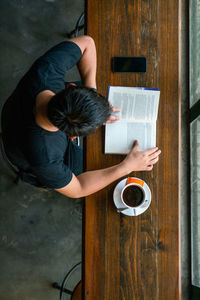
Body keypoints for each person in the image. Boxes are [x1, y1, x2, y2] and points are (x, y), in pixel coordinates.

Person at [1, 35, 161, 198]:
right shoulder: (45, 157)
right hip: (21, 152)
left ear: (71, 88)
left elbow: (87, 43)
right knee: (92, 166)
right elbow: (78, 189)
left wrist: (91, 94)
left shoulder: (46, 71)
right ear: (72, 135)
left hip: (15, 110)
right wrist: (126, 166)